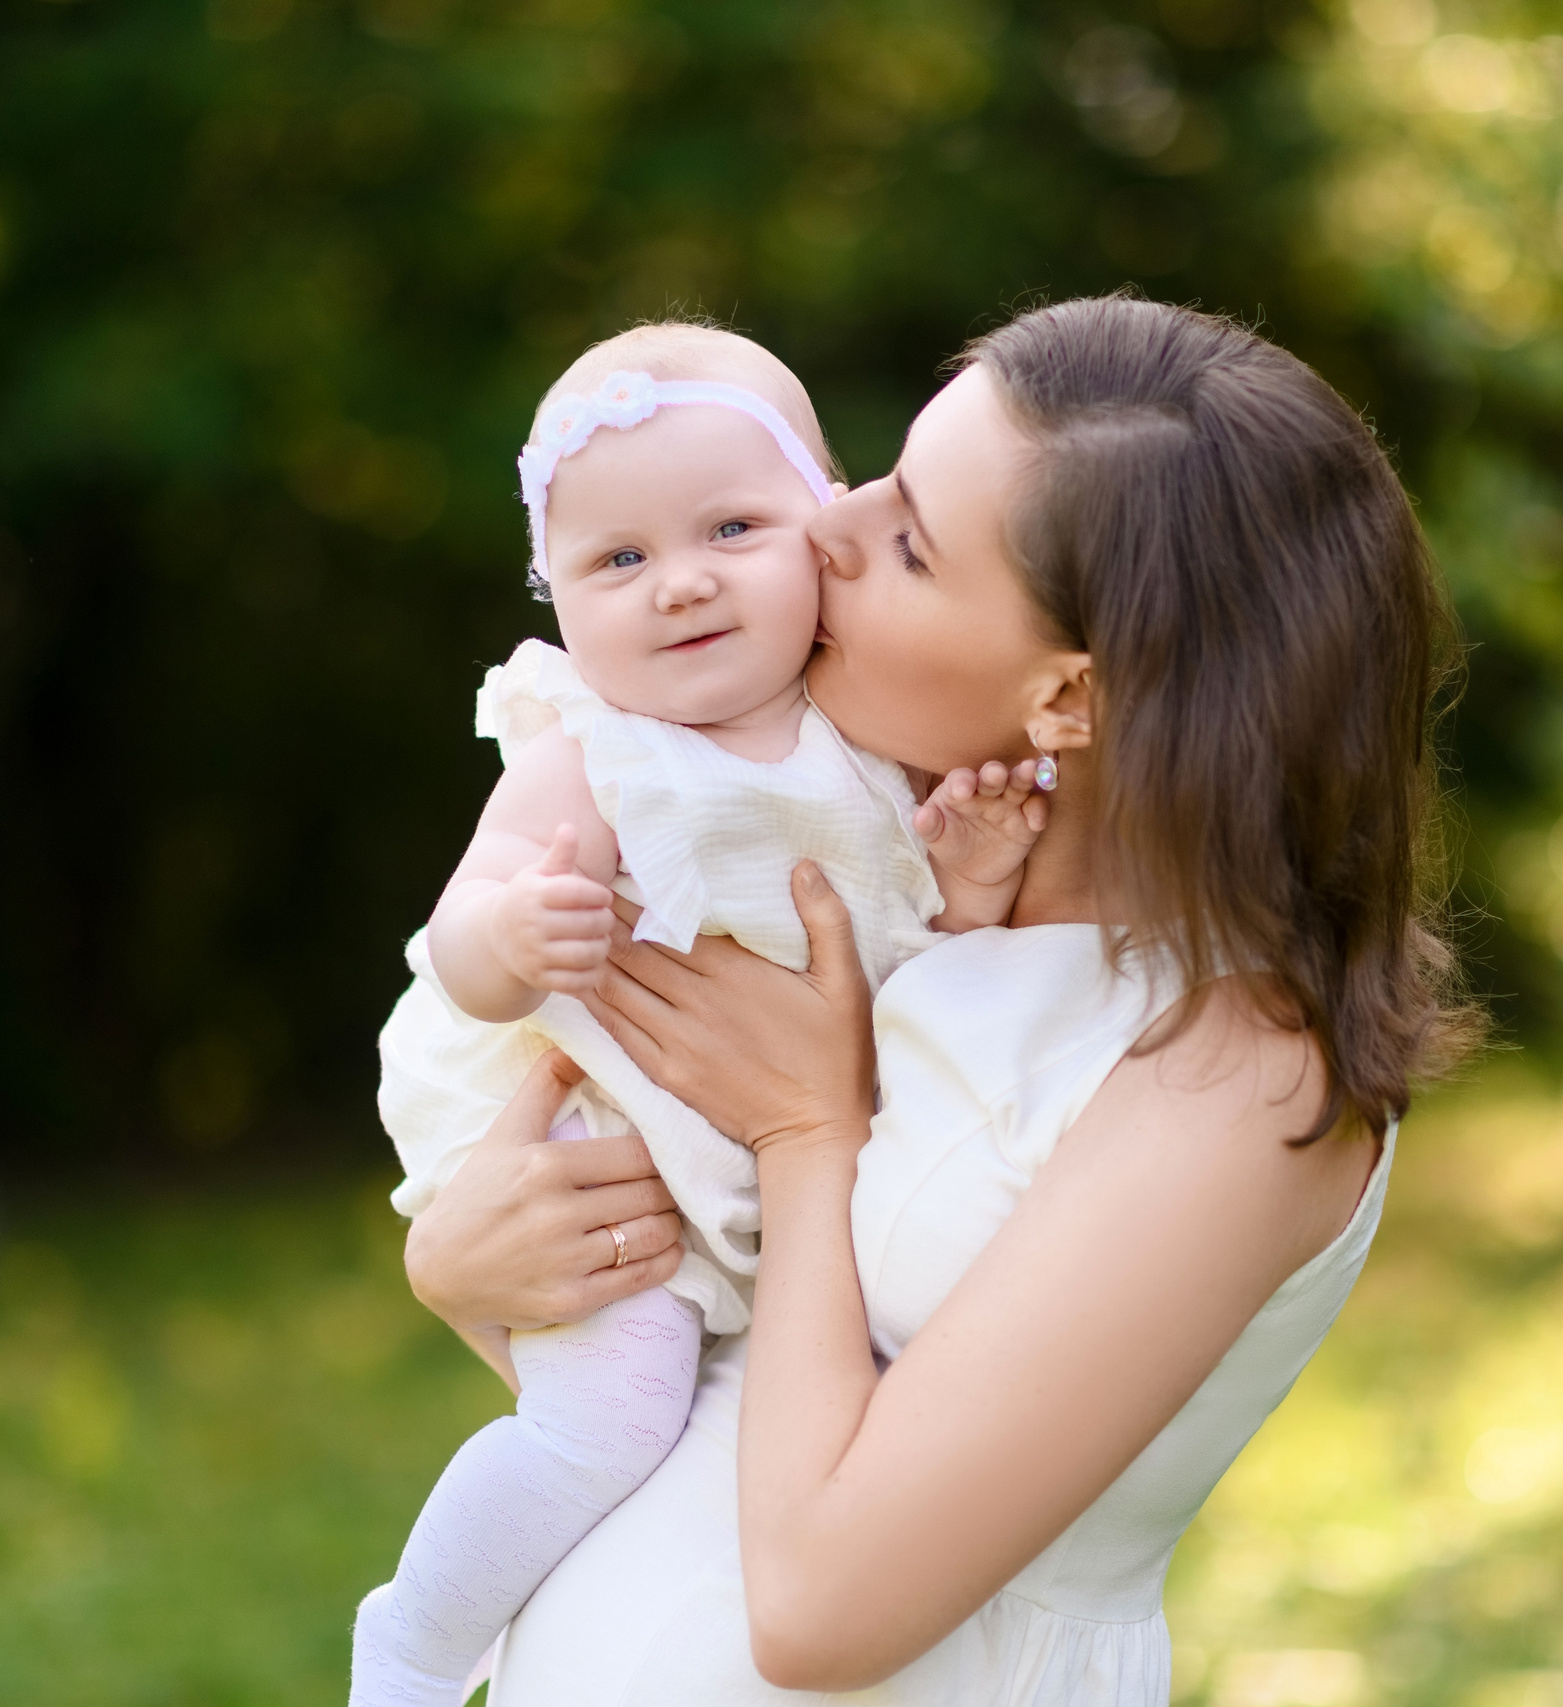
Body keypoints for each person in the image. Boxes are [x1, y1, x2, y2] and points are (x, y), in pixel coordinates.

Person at [401, 296, 1472, 1703]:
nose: (826, 522)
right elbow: (720, 1383)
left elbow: (825, 1603)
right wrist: (469, 1268)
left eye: (907, 539)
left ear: (1069, 699)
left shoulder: (1236, 1067)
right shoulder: (881, 868)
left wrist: (805, 1132)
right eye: (884, 476)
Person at [355, 322, 1048, 1707]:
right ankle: (421, 1643)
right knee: (608, 1423)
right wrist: (517, 933)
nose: (679, 584)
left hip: (786, 1159)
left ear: (826, 527)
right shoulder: (591, 754)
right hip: (608, 1157)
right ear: (553, 594)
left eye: (732, 527)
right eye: (617, 561)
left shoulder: (875, 736)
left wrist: (970, 886)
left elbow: (915, 971)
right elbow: (459, 943)